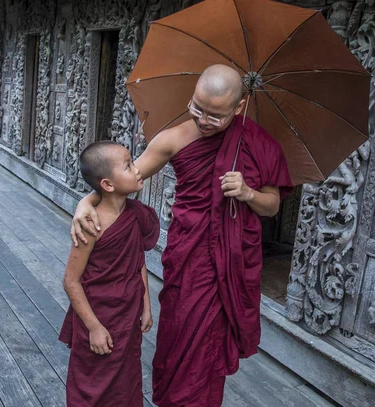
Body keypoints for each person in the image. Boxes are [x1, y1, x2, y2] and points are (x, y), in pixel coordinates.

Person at [70, 64, 293, 407]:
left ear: (238, 107)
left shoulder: (258, 143)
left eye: (216, 116)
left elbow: (272, 206)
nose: (204, 120)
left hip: (230, 264)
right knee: (179, 339)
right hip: (188, 259)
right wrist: (86, 201)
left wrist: (248, 193)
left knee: (208, 354)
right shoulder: (174, 138)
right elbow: (122, 181)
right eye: (197, 108)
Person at [60, 140, 160, 407]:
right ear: (107, 184)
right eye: (128, 166)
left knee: (125, 384)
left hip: (126, 315)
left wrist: (147, 306)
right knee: (92, 385)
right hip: (99, 315)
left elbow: (138, 260)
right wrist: (93, 328)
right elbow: (70, 281)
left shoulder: (135, 214)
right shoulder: (90, 224)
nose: (137, 169)